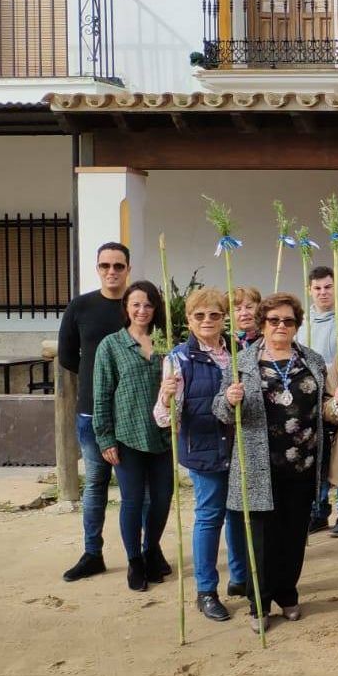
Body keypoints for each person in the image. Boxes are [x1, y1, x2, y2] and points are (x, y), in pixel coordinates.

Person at [216, 293, 338, 633]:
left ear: (297, 325)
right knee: (262, 539)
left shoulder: (312, 361)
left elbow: (327, 407)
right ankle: (260, 601)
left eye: (288, 321)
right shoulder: (242, 363)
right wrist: (230, 399)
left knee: (294, 534)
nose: (281, 326)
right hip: (260, 466)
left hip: (303, 464)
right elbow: (220, 410)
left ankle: (287, 593)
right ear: (262, 324)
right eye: (274, 321)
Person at [154, 287, 248, 621]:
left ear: (225, 318)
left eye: (215, 314)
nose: (207, 321)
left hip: (239, 447)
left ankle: (241, 579)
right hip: (204, 448)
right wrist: (167, 398)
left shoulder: (240, 351)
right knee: (210, 516)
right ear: (189, 321)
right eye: (199, 315)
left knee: (239, 514)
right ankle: (206, 590)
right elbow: (165, 419)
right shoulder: (178, 358)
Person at [91, 280, 173, 593]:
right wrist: (105, 438)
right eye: (136, 304)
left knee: (163, 498)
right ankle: (134, 560)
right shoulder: (111, 346)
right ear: (126, 307)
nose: (142, 310)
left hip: (163, 434)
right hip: (127, 435)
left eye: (148, 304)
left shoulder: (166, 344)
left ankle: (152, 547)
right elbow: (101, 395)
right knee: (133, 500)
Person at [60, 242, 132, 583]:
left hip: (135, 414)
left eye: (118, 266)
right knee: (95, 486)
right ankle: (92, 553)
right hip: (92, 412)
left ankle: (144, 553)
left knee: (139, 489)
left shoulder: (139, 305)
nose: (112, 272)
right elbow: (67, 356)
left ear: (128, 269)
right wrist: (96, 378)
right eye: (105, 266)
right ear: (97, 268)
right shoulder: (80, 306)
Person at [305, 266, 338, 535]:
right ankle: (318, 510)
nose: (323, 293)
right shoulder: (301, 324)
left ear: (336, 288)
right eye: (317, 288)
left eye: (328, 287)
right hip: (310, 397)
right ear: (310, 290)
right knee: (316, 452)